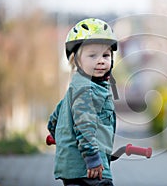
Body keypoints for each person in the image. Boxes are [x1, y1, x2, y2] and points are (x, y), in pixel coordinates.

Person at [47, 18, 118, 186]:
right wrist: (93, 158)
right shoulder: (87, 89)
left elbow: (54, 120)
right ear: (76, 61)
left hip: (73, 170)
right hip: (89, 169)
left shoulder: (75, 88)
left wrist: (56, 135)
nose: (101, 60)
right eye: (92, 55)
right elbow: (84, 125)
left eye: (106, 55)